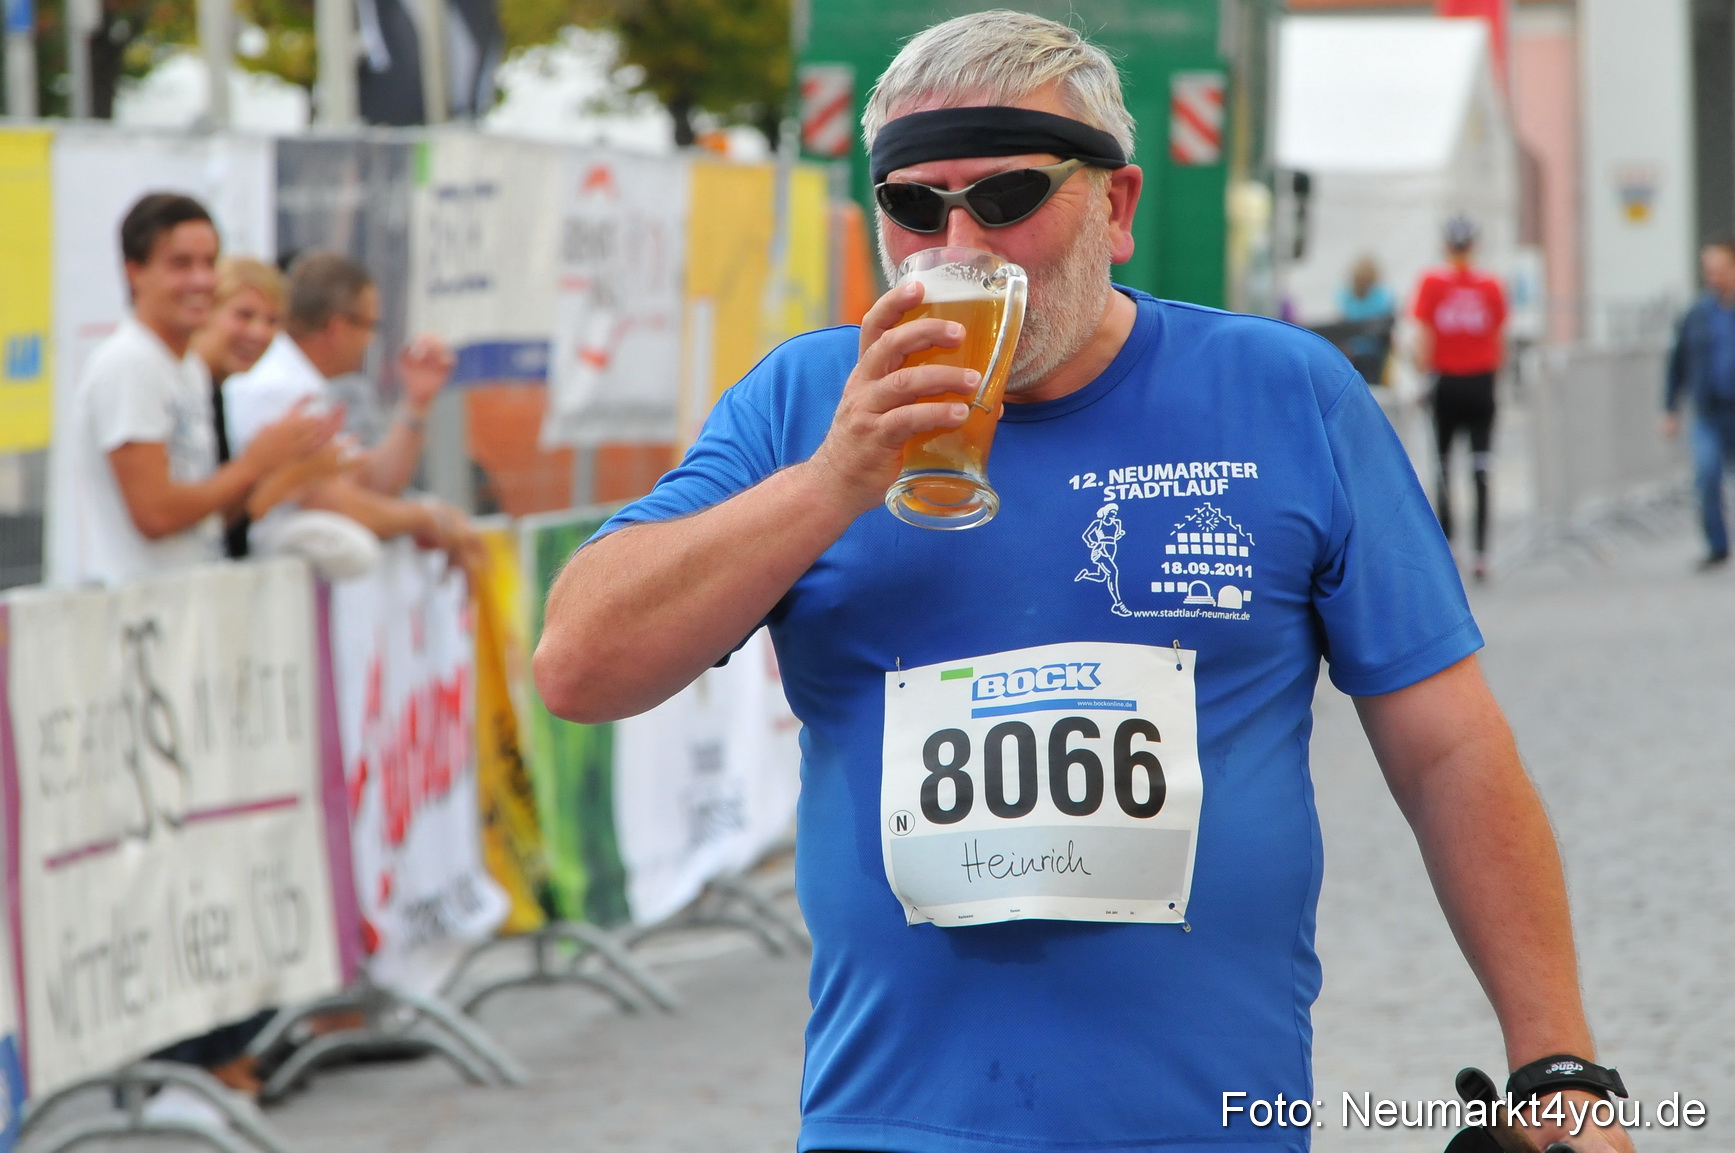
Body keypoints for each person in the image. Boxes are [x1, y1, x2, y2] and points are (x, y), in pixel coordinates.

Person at [534, 13, 1631, 1153]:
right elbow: (578, 663)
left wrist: (1554, 1061)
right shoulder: (806, 401)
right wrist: (831, 482)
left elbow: (1446, 746)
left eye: (1006, 198)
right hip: (895, 1123)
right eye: (914, 206)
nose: (955, 244)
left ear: (1115, 207)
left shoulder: (1283, 392)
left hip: (1213, 1123)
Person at [46, 193, 338, 588]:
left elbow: (207, 517)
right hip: (140, 618)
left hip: (191, 607)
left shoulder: (188, 370)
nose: (201, 280)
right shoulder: (130, 363)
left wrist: (281, 463)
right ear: (135, 272)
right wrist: (254, 463)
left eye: (209, 263)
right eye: (180, 264)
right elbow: (155, 515)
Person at [224, 251, 480, 574]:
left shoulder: (303, 383)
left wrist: (417, 403)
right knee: (353, 549)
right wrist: (425, 518)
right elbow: (333, 502)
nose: (370, 340)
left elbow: (368, 484)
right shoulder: (279, 388)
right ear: (338, 328)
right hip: (255, 576)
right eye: (369, 326)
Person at [1412, 215, 1507, 581]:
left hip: (1446, 382)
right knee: (1481, 467)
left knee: (1443, 465)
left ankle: (1448, 546)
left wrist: (1423, 376)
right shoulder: (1491, 286)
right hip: (1481, 381)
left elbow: (1425, 336)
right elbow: (1499, 336)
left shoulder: (1432, 283)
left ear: (1446, 246)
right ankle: (1482, 551)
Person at [1662, 237, 1735, 569]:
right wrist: (1669, 407)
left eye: (1719, 270)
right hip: (1708, 411)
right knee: (1706, 474)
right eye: (1709, 271)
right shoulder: (1698, 313)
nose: (1713, 277)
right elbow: (1677, 362)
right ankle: (1717, 544)